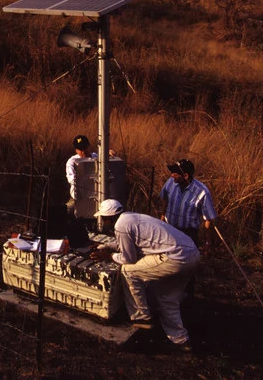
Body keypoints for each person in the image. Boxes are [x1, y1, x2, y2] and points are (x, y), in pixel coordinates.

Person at [92, 199, 198, 350]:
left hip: (175, 258)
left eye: (103, 218)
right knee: (166, 297)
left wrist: (108, 256)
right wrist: (107, 246)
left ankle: (141, 317)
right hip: (191, 253)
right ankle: (181, 340)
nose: (103, 221)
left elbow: (128, 259)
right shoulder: (130, 217)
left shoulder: (120, 225)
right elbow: (131, 242)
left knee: (129, 271)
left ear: (108, 218)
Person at [159, 159, 217, 249]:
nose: (172, 175)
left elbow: (208, 218)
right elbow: (165, 202)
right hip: (169, 230)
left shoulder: (201, 191)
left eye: (175, 174)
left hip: (188, 234)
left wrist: (208, 243)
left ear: (185, 176)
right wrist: (161, 222)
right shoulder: (170, 182)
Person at [65, 134, 97, 213]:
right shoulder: (72, 161)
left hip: (96, 195)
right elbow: (72, 179)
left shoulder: (96, 157)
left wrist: (109, 154)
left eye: (85, 148)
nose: (83, 151)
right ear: (76, 150)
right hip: (78, 197)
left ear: (89, 146)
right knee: (68, 211)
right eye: (80, 149)